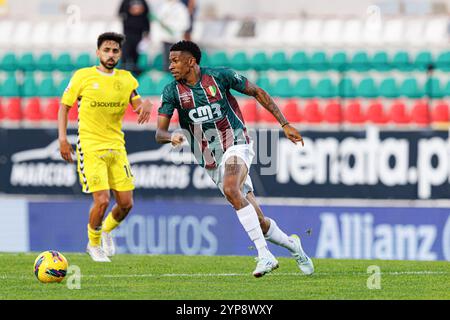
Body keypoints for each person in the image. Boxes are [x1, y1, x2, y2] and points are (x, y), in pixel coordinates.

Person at [155, 40, 314, 277]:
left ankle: (264, 255)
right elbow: (159, 133)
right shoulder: (172, 92)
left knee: (231, 188)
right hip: (209, 158)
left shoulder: (221, 77)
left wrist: (284, 123)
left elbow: (257, 92)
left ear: (191, 61)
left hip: (236, 142)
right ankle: (294, 246)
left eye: (175, 61)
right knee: (259, 221)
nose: (170, 66)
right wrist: (171, 137)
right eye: (170, 61)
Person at [58, 32, 152, 262]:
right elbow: (64, 107)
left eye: (115, 51)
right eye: (107, 50)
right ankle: (93, 244)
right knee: (101, 200)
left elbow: (138, 104)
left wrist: (146, 104)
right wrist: (62, 138)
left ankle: (107, 230)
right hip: (90, 147)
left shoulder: (127, 79)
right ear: (98, 52)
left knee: (126, 204)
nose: (111, 55)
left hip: (116, 147)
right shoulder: (83, 76)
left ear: (120, 54)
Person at [154, 0, 189, 71]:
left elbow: (185, 24)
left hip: (176, 40)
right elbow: (158, 21)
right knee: (166, 63)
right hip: (165, 39)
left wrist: (173, 28)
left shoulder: (180, 7)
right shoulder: (163, 6)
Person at [118, 0, 150, 74]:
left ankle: (136, 74)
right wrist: (130, 11)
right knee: (125, 54)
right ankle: (123, 72)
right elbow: (120, 13)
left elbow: (147, 16)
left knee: (136, 56)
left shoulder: (143, 1)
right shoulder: (126, 1)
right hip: (127, 34)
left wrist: (147, 31)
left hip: (139, 34)